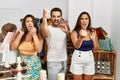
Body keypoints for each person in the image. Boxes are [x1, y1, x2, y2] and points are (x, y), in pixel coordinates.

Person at [10, 14, 43, 80]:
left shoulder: (38, 34)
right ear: (24, 24)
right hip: (20, 64)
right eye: (27, 21)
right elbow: (13, 47)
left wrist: (34, 35)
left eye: (32, 21)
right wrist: (20, 34)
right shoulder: (20, 33)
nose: (30, 23)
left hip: (34, 65)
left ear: (34, 23)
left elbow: (39, 50)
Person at [41, 7, 70, 80]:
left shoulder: (63, 28)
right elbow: (44, 33)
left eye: (58, 16)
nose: (56, 18)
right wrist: (44, 17)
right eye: (54, 16)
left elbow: (69, 40)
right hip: (53, 62)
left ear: (61, 17)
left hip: (64, 60)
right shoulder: (48, 28)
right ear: (51, 17)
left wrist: (67, 31)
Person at [70, 12, 100, 80]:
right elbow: (77, 46)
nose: (84, 21)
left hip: (89, 60)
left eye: (86, 19)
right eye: (82, 19)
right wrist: (81, 37)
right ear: (79, 21)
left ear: (89, 21)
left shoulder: (92, 32)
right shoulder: (74, 32)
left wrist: (93, 40)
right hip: (77, 61)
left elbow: (96, 49)